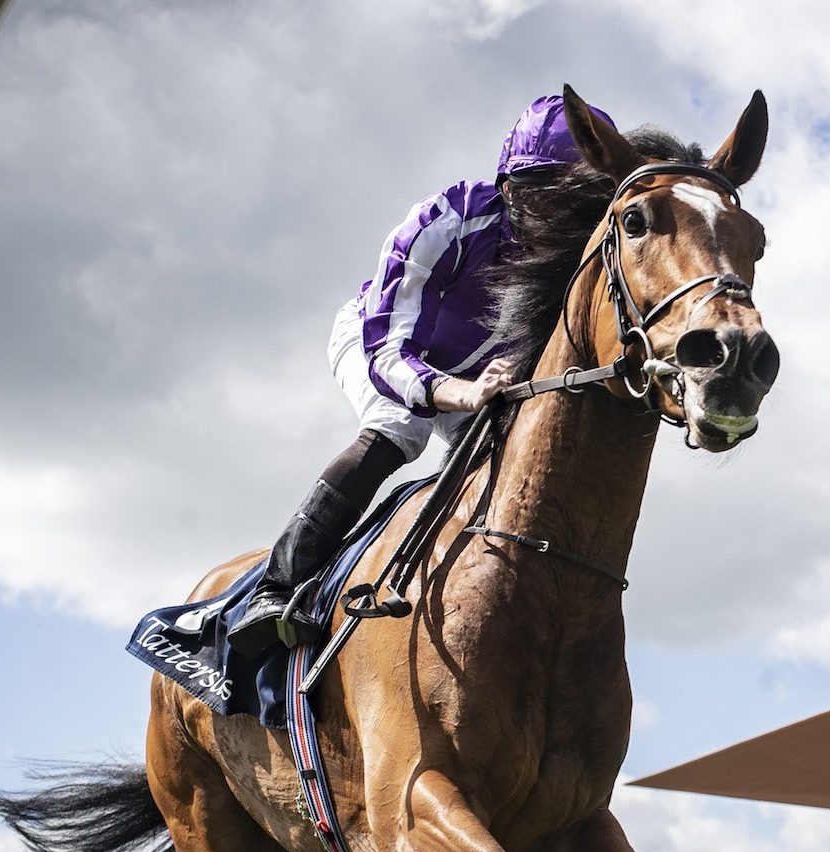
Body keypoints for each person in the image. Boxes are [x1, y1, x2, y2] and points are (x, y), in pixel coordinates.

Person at [228, 93, 619, 652]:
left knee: (512, 464)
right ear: (510, 188)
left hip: (480, 375)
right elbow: (389, 354)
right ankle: (275, 586)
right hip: (381, 341)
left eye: (577, 207)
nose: (559, 224)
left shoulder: (588, 254)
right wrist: (463, 392)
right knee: (399, 431)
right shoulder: (448, 221)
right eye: (545, 202)